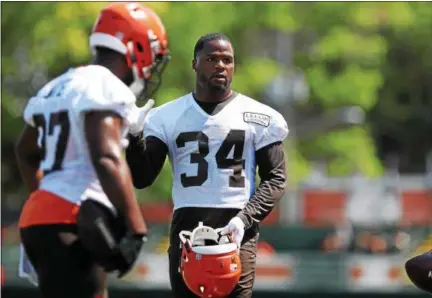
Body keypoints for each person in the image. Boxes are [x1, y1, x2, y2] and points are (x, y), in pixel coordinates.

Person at [15, 3, 169, 298]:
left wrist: (43, 196)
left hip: (36, 219)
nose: (152, 66)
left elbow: (25, 151)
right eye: (154, 55)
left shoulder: (57, 85)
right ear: (137, 46)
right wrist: (136, 225)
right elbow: (106, 155)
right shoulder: (107, 87)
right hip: (74, 219)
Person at [126, 32, 288, 298]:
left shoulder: (258, 116)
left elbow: (276, 178)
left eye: (227, 59)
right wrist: (134, 137)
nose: (221, 65)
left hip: (237, 229)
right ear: (195, 63)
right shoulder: (167, 116)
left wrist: (243, 219)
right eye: (212, 58)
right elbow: (142, 178)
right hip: (187, 230)